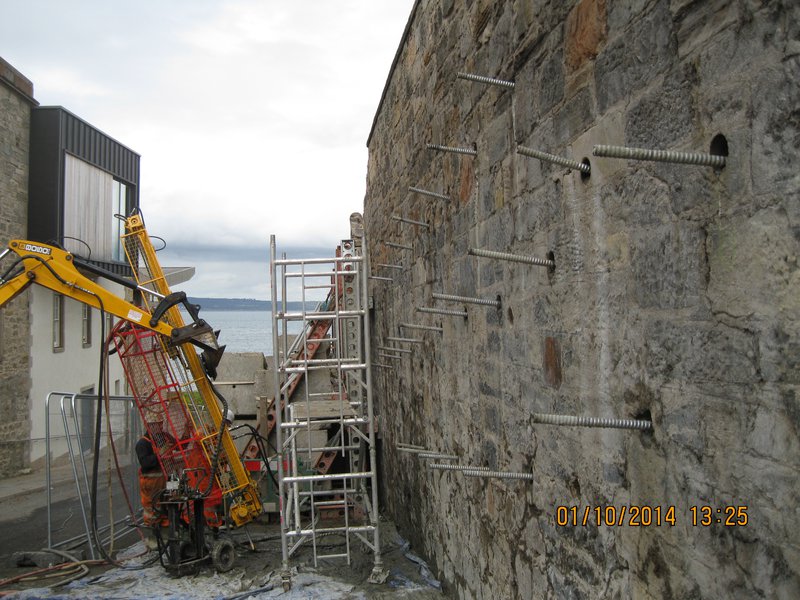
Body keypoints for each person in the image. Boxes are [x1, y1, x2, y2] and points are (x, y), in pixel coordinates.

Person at [136, 421, 168, 548]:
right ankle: (154, 540)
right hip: (150, 484)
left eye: (161, 424)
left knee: (164, 508)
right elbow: (145, 463)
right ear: (150, 427)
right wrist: (159, 455)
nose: (160, 427)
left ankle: (164, 538)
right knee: (151, 510)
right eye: (157, 425)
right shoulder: (142, 444)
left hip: (161, 483)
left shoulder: (159, 440)